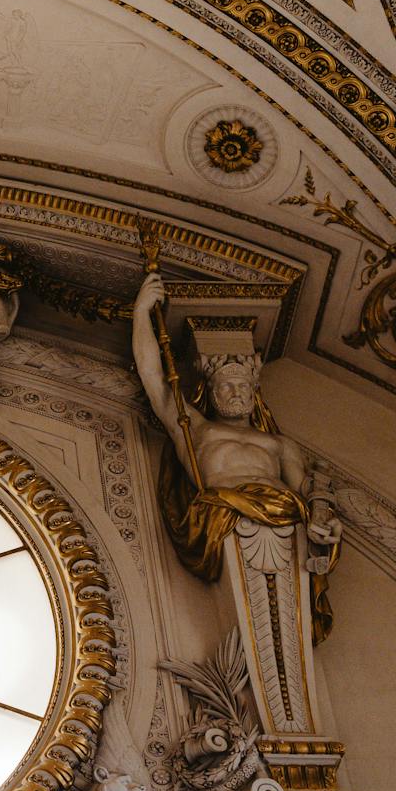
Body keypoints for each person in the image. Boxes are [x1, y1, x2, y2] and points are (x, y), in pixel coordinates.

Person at [131, 270, 339, 637]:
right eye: (225, 386)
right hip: (224, 512)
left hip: (284, 513)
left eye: (242, 386)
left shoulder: (279, 444)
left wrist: (326, 520)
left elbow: (307, 490)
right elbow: (153, 378)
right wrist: (141, 313)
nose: (235, 393)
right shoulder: (195, 428)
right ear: (210, 392)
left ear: (254, 391)